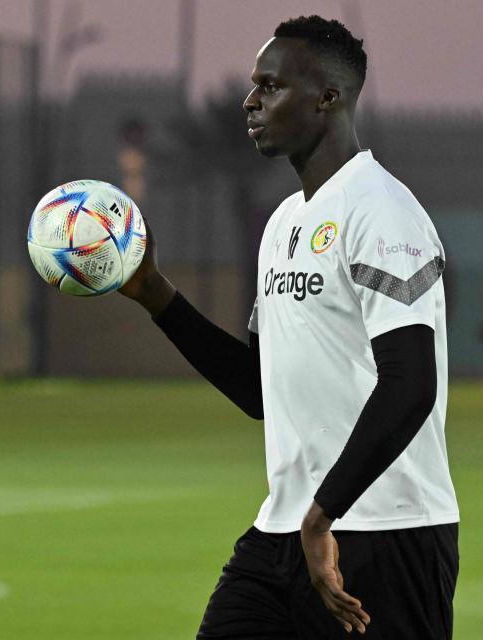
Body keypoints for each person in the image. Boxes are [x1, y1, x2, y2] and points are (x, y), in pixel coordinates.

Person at [120, 15, 459, 639]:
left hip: (385, 533)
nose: (251, 101)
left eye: (270, 86)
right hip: (284, 535)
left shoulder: (381, 211)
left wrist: (323, 515)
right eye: (255, 85)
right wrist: (154, 294)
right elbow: (258, 391)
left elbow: (411, 381)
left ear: (328, 98)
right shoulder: (281, 224)